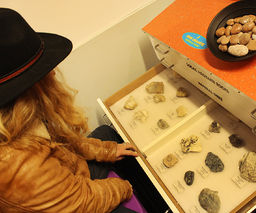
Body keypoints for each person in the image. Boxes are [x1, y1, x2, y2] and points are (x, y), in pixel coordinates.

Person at [0, 8, 169, 213]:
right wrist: (124, 187)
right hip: (69, 203)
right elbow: (81, 202)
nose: (52, 72)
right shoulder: (18, 165)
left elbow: (63, 143)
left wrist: (107, 150)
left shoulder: (20, 121)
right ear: (28, 90)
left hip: (64, 177)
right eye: (45, 70)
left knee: (108, 136)